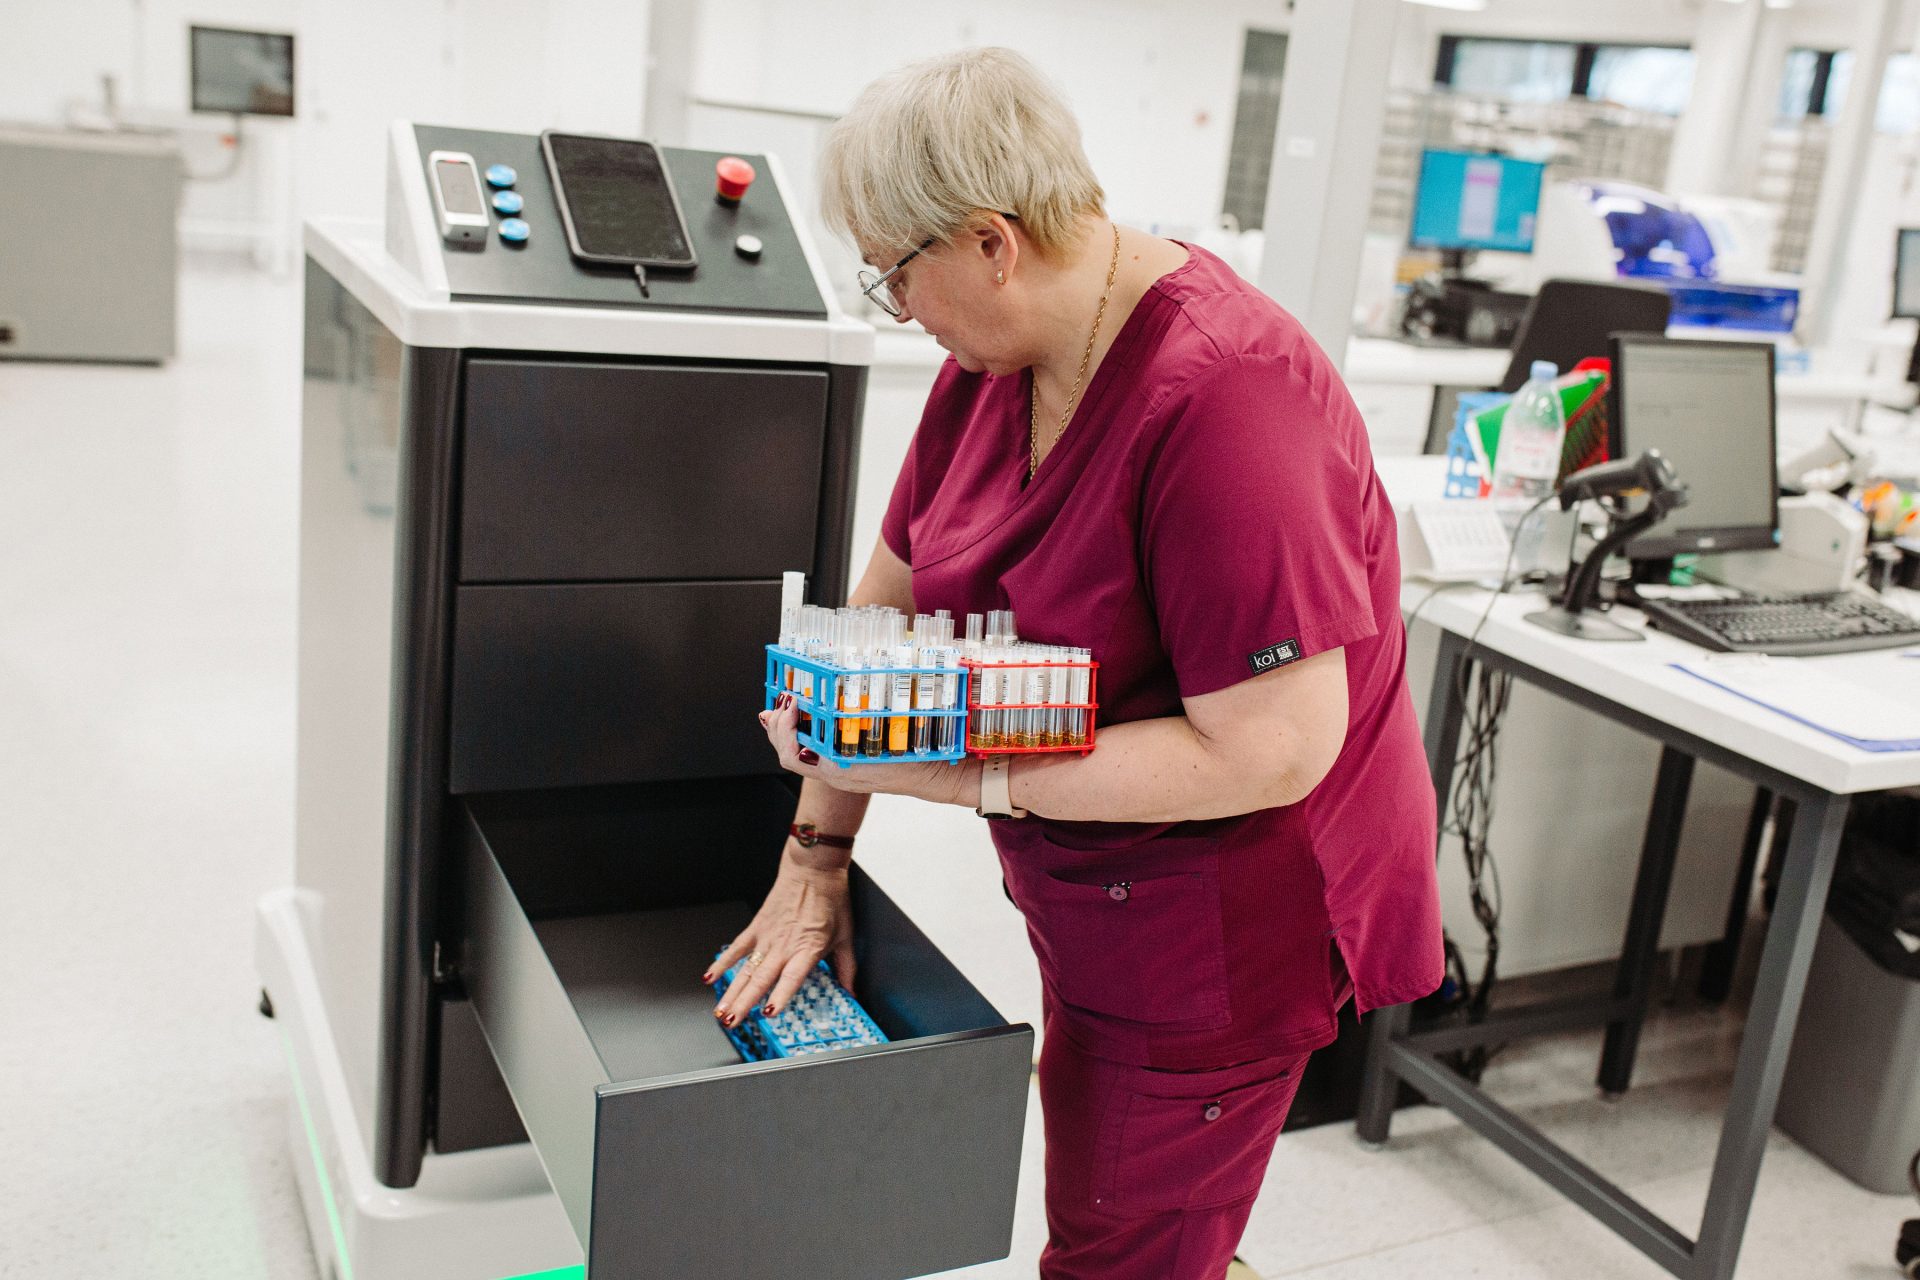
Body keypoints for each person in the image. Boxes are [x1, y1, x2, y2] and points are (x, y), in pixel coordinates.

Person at [707, 46, 1443, 1280]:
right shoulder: (990, 372)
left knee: (1122, 1239)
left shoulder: (1230, 397)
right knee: (1135, 1206)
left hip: (1219, 925)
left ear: (992, 242)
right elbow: (876, 621)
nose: (900, 308)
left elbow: (1272, 746)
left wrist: (961, 776)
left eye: (898, 274)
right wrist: (813, 856)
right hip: (1099, 889)